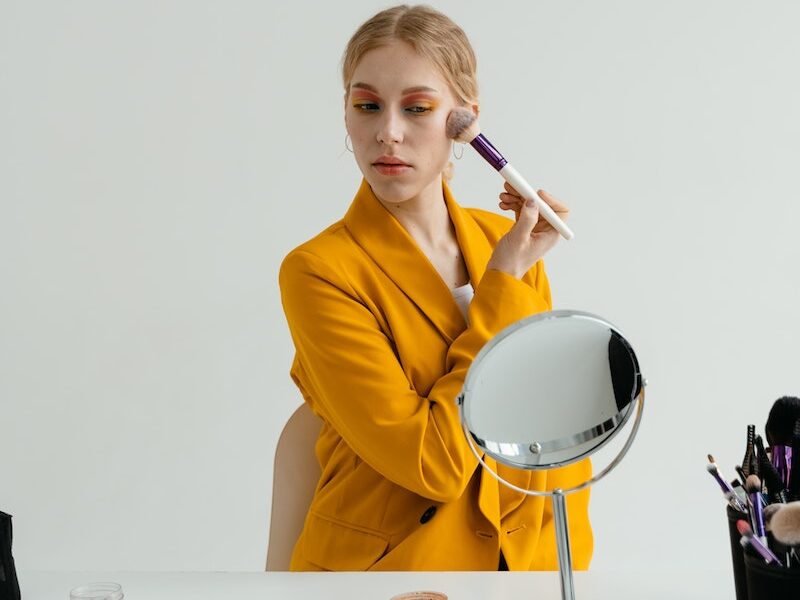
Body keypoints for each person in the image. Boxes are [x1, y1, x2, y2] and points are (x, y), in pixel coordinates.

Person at [279, 4, 592, 571]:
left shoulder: (507, 241)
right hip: (389, 574)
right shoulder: (319, 270)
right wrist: (499, 286)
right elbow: (434, 464)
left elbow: (548, 439)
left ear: (464, 120)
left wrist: (560, 569)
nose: (388, 133)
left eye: (417, 108)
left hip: (523, 568)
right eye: (366, 105)